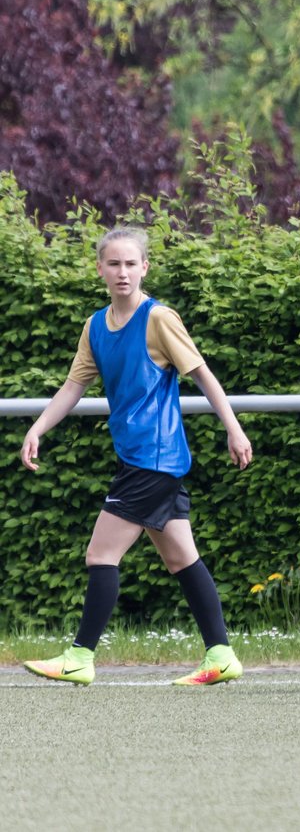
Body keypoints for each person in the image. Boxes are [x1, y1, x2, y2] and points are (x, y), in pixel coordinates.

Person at [20, 226, 252, 687]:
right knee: (181, 558)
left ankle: (80, 657)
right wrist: (38, 427)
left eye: (131, 263)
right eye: (114, 264)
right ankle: (221, 655)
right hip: (137, 458)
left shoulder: (160, 318)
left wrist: (234, 427)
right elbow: (74, 386)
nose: (122, 272)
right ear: (100, 269)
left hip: (155, 459)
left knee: (100, 553)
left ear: (145, 267)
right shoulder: (95, 326)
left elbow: (203, 375)